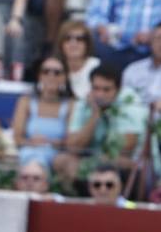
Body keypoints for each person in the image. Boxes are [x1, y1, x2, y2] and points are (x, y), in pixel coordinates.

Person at [54, 61, 146, 189]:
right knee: (62, 160)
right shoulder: (83, 103)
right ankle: (81, 202)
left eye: (106, 90)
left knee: (114, 161)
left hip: (127, 162)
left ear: (118, 90)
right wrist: (95, 115)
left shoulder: (130, 102)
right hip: (91, 160)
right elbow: (72, 146)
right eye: (96, 88)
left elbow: (126, 147)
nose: (100, 95)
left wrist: (97, 160)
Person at [12, 53, 72, 168]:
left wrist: (57, 143)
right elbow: (17, 138)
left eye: (57, 72)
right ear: (39, 76)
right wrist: (31, 142)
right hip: (29, 152)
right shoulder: (25, 101)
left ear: (65, 77)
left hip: (57, 157)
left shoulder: (71, 105)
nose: (51, 76)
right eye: (46, 71)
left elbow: (72, 141)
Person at [56, 17, 102, 99]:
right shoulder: (54, 68)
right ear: (61, 43)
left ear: (87, 44)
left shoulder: (97, 67)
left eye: (79, 39)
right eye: (67, 38)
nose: (73, 43)